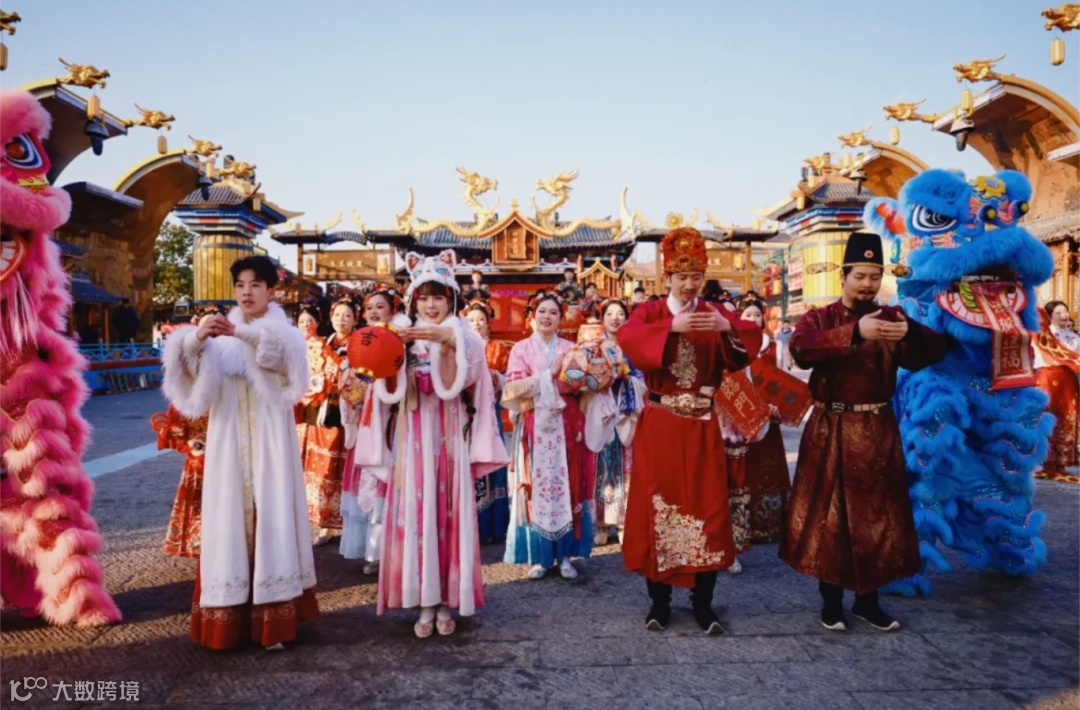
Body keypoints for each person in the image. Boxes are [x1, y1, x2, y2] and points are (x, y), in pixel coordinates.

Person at [780, 232, 947, 633]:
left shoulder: (892, 319)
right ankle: (831, 602)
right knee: (830, 517)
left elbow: (934, 351)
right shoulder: (820, 318)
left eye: (874, 276)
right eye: (860, 275)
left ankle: (868, 602)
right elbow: (802, 350)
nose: (868, 284)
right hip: (832, 429)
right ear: (844, 275)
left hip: (876, 430)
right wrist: (855, 333)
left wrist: (911, 334)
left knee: (877, 516)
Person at [161, 255, 317, 651]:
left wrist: (241, 334)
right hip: (228, 438)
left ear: (271, 291)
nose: (247, 292)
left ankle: (273, 624)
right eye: (240, 285)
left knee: (272, 513)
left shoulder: (284, 334)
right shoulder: (219, 339)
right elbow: (187, 381)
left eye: (255, 285)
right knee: (228, 516)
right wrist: (196, 339)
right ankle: (228, 622)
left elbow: (285, 366)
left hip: (270, 439)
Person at [618, 227, 762, 635]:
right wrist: (672, 329)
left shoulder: (714, 313)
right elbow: (629, 338)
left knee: (708, 509)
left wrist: (724, 326)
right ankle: (659, 602)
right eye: (681, 276)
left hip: (701, 427)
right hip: (661, 425)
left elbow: (747, 343)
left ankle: (703, 603)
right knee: (658, 507)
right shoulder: (650, 312)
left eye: (696, 276)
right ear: (668, 277)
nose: (689, 283)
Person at [374, 250, 508, 637]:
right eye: (424, 298)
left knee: (448, 513)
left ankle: (447, 599)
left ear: (451, 299)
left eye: (438, 297)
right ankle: (423, 600)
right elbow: (383, 389)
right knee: (416, 512)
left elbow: (474, 379)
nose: (431, 305)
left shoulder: (465, 336)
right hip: (412, 435)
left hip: (450, 437)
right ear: (413, 300)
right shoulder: (401, 337)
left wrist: (450, 341)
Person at [503, 292, 595, 580]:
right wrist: (550, 375)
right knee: (536, 486)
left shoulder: (571, 349)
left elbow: (581, 387)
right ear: (533, 315)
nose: (547, 317)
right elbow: (513, 388)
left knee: (569, 484)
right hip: (534, 422)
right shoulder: (521, 349)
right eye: (542, 311)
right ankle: (540, 556)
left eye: (553, 312)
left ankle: (566, 556)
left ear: (560, 318)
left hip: (567, 423)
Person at [340, 291, 411, 574]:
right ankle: (369, 550)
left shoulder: (403, 340)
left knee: (388, 485)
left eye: (380, 307)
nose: (373, 312)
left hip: (391, 424)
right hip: (366, 422)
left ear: (393, 310)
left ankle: (388, 552)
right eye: (369, 307)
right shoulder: (359, 341)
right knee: (367, 481)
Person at [298, 298, 358, 545]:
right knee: (319, 467)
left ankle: (343, 522)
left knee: (340, 467)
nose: (341, 319)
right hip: (319, 409)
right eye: (337, 314)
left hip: (344, 411)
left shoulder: (359, 343)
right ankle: (324, 523)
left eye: (347, 315)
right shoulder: (322, 343)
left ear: (355, 319)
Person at [591, 299, 645, 546]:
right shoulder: (594, 347)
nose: (615, 318)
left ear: (627, 318)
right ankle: (601, 522)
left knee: (627, 465)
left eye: (620, 313)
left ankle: (624, 521)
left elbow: (642, 378)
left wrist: (627, 378)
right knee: (601, 465)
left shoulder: (634, 346)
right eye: (610, 313)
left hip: (625, 411)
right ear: (602, 318)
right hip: (601, 412)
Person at [462, 299, 512, 543]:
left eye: (481, 319)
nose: (476, 324)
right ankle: (470, 526)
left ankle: (495, 526)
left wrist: (496, 378)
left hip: (490, 415)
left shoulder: (497, 349)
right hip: (465, 415)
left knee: (493, 465)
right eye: (471, 320)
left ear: (488, 322)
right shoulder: (458, 346)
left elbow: (508, 379)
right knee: (468, 466)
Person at [1033, 300, 1080, 480]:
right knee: (1047, 417)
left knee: (1066, 418)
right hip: (1047, 377)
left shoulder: (1074, 337)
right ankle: (1043, 461)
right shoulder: (1041, 335)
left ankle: (1062, 462)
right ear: (1049, 316)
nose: (1064, 315)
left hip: (1068, 380)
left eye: (1065, 311)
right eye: (1058, 313)